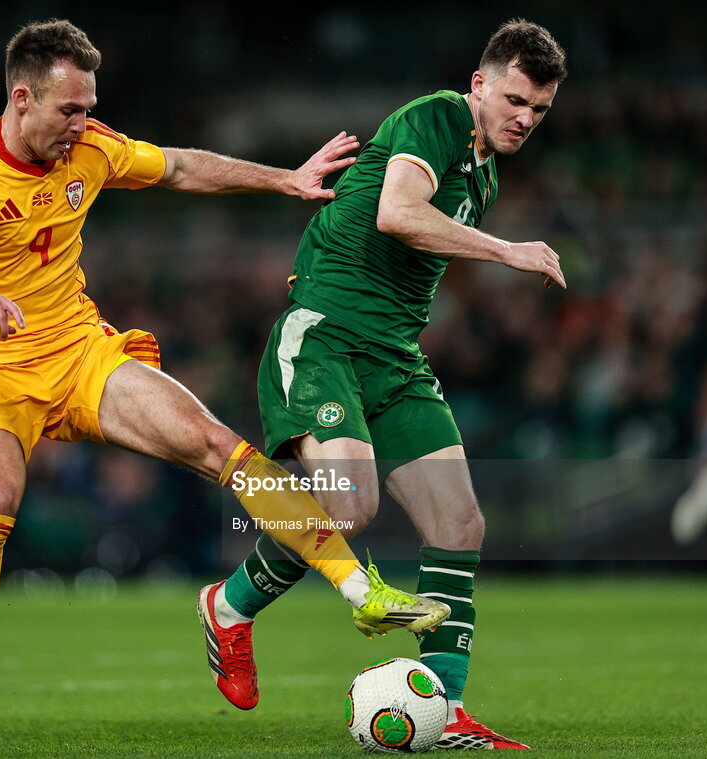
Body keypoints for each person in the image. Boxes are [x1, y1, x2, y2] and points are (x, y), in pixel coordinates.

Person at [0, 19, 450, 757]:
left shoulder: (91, 147)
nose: (83, 124)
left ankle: (358, 591)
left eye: (89, 107)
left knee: (218, 442)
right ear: (20, 99)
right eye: (68, 109)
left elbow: (180, 167)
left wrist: (283, 178)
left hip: (74, 346)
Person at [198, 18, 567, 750]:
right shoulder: (435, 118)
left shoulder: (486, 168)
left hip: (395, 358)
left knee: (460, 523)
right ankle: (228, 606)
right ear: (480, 84)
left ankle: (448, 708)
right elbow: (397, 213)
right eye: (516, 99)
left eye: (540, 110)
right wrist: (510, 251)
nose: (525, 118)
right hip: (325, 335)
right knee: (349, 503)